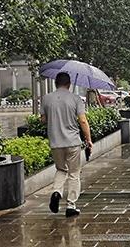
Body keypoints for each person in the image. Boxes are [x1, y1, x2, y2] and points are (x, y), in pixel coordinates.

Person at [40, 72, 93, 218]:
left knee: (61, 170)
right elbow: (83, 121)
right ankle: (71, 205)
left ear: (56, 83)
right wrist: (88, 140)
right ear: (69, 84)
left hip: (55, 142)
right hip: (72, 142)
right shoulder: (76, 99)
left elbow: (43, 120)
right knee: (74, 173)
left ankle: (56, 192)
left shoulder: (46, 99)